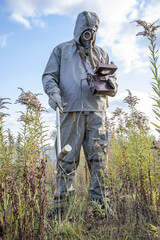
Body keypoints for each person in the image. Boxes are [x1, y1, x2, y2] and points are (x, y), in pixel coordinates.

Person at [42, 11, 118, 218]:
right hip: (71, 114)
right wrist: (54, 94)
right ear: (78, 29)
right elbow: (49, 76)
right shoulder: (62, 50)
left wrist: (112, 85)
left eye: (92, 31)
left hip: (97, 115)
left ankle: (100, 205)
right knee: (66, 157)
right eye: (85, 31)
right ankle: (61, 207)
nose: (89, 35)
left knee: (99, 158)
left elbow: (113, 81)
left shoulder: (101, 53)